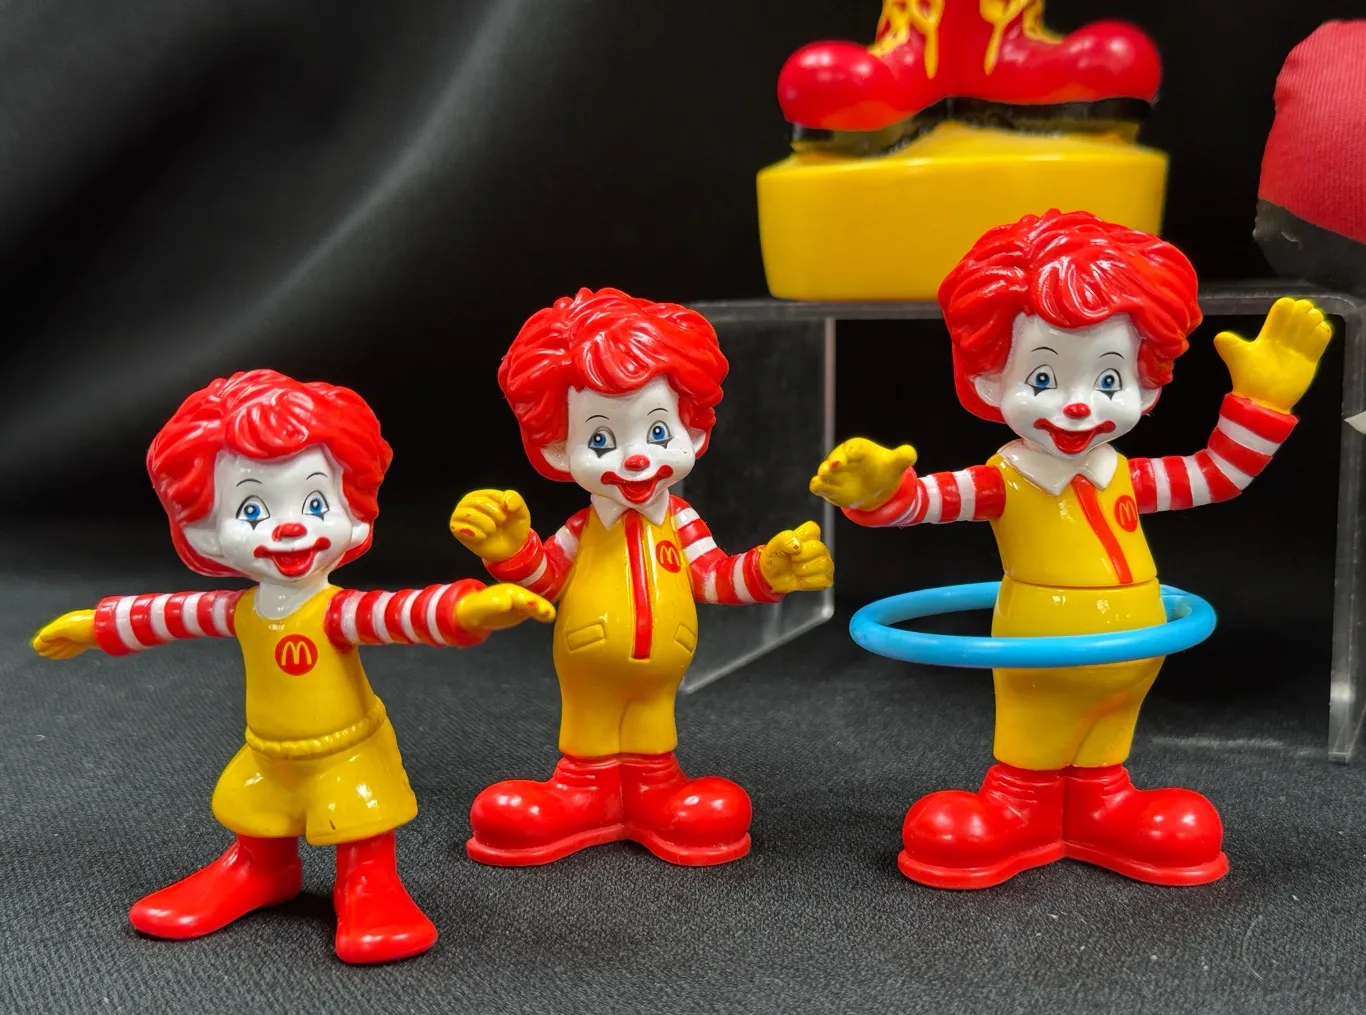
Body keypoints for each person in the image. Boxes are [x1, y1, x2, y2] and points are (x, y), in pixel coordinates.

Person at [810, 210, 1332, 888]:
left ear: (1147, 383)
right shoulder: (1005, 480)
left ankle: (1102, 802)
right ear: (990, 381)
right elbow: (925, 501)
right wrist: (879, 492)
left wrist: (1261, 401)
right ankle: (1017, 804)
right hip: (1043, 646)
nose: (1079, 406)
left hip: (1133, 651)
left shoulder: (1125, 475)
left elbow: (1219, 474)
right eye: (1043, 380)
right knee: (1037, 730)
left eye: (1108, 381)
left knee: (1106, 737)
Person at [31, 368, 555, 963]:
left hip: (346, 751)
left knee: (359, 818)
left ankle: (369, 884)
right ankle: (257, 868)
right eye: (252, 510)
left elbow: (399, 612)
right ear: (204, 532)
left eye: (315, 502)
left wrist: (469, 609)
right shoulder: (242, 610)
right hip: (269, 753)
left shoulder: (335, 611)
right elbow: (170, 614)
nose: (289, 528)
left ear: (354, 509)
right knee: (256, 810)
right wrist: (95, 626)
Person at [449, 288, 833, 866]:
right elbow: (548, 580)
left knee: (662, 742)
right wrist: (510, 550)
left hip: (661, 676)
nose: (634, 459)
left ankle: (655, 790)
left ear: (694, 431)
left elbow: (712, 575)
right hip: (587, 669)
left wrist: (769, 569)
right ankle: (582, 790)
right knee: (586, 734)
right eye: (601, 440)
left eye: (657, 433)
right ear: (558, 450)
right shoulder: (582, 529)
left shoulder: (681, 522)